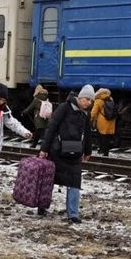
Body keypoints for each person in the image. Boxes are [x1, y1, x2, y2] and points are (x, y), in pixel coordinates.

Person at [39, 85, 95, 223]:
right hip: (57, 151)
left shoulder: (85, 114)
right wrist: (44, 149)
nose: (88, 102)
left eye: (91, 100)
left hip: (75, 153)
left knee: (75, 182)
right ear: (80, 97)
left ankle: (73, 214)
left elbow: (87, 134)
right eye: (87, 99)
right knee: (49, 181)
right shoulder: (64, 108)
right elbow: (51, 127)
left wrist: (87, 151)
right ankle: (42, 206)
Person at [21, 84, 50, 149]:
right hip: (45, 117)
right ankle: (38, 145)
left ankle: (36, 145)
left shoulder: (36, 99)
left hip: (39, 118)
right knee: (42, 132)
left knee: (39, 132)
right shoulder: (46, 98)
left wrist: (23, 113)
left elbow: (29, 108)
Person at [90, 87, 116, 156]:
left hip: (102, 122)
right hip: (111, 121)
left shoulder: (98, 100)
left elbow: (94, 112)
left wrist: (90, 119)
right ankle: (106, 151)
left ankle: (103, 151)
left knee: (101, 137)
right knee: (107, 138)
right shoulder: (111, 99)